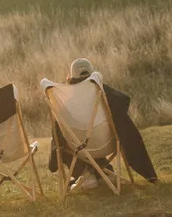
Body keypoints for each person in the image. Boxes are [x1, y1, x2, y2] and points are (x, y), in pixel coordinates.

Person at [48, 58, 158, 189]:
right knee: (90, 138)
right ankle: (105, 172)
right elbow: (123, 105)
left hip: (79, 149)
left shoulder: (65, 103)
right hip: (107, 144)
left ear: (69, 78)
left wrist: (53, 161)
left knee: (61, 141)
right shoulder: (105, 93)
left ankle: (85, 174)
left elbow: (57, 136)